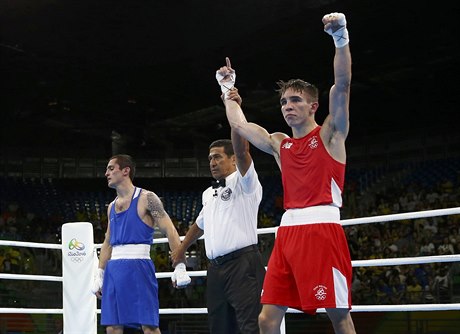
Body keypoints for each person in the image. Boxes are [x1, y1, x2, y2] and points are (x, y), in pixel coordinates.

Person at [215, 12, 356, 334]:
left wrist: (340, 37)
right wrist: (227, 88)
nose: (287, 106)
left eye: (295, 100)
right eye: (283, 102)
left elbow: (343, 86)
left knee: (337, 314)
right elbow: (239, 124)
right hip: (287, 232)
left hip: (322, 228)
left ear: (313, 106)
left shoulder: (331, 135)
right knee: (266, 318)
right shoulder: (280, 144)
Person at [171, 134, 266, 333]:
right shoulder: (208, 193)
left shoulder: (245, 183)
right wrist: (181, 250)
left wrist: (236, 122)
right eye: (210, 159)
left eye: (217, 157)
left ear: (233, 159)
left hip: (243, 264)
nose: (212, 163)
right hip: (215, 269)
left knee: (250, 326)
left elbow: (243, 152)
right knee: (219, 326)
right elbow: (200, 223)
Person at [91, 154, 191, 334]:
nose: (106, 173)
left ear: (125, 171)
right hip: (113, 270)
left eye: (111, 168)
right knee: (112, 328)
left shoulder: (147, 198)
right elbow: (107, 242)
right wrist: (99, 273)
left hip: (139, 266)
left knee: (149, 326)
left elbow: (170, 230)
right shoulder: (110, 207)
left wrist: (180, 265)